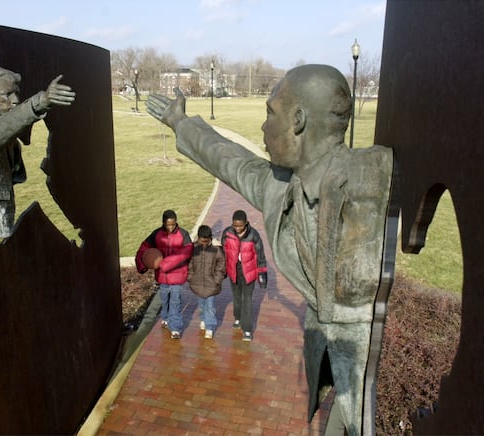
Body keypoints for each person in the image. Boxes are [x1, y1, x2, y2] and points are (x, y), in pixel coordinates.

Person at [146, 64, 393, 435]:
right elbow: (230, 160)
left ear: (297, 120)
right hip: (324, 351)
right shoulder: (280, 187)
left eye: (269, 114)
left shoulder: (372, 174)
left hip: (359, 353)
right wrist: (181, 123)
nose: (263, 128)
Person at [0, 66, 76, 238]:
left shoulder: (2, 121)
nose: (15, 99)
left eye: (16, 93)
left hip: (1, 199)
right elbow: (3, 129)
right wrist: (40, 101)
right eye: (7, 95)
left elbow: (15, 123)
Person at [135, 209, 193, 339]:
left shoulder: (183, 234)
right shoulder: (156, 234)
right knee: (164, 299)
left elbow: (187, 251)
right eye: (168, 224)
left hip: (177, 275)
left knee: (175, 301)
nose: (171, 227)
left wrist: (166, 263)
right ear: (163, 223)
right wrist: (142, 265)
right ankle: (165, 318)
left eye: (173, 224)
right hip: (162, 277)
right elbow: (144, 248)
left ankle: (175, 328)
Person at [221, 210, 267, 341]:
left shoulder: (254, 235)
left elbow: (260, 256)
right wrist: (222, 270)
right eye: (235, 225)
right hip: (233, 271)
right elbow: (224, 252)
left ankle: (247, 329)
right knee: (236, 297)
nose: (238, 228)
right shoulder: (227, 233)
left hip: (249, 272)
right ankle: (237, 317)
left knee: (247, 300)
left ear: (246, 223)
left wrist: (262, 275)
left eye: (240, 226)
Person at [187, 224, 226, 339]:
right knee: (201, 305)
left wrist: (217, 280)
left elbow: (221, 264)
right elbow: (189, 263)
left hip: (211, 284)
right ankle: (203, 319)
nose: (204, 244)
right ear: (198, 238)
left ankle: (210, 326)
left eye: (206, 241)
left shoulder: (216, 249)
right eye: (202, 241)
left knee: (210, 307)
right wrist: (190, 276)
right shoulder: (193, 248)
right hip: (197, 283)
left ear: (210, 238)